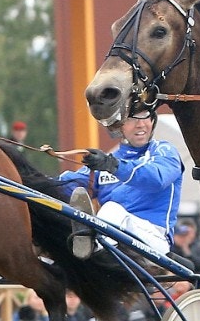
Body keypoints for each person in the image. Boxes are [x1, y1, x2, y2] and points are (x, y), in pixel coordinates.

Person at [57, 108, 183, 260]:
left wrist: (114, 166)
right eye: (132, 119)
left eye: (145, 117)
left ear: (152, 121)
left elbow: (157, 179)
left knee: (111, 209)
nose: (141, 124)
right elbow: (69, 185)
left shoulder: (164, 150)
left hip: (154, 242)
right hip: (113, 239)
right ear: (118, 126)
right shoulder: (108, 161)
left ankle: (94, 252)